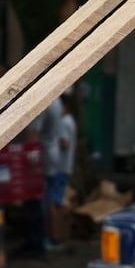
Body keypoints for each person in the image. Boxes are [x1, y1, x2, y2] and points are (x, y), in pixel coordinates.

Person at [45, 93, 77, 251]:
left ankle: (55, 238)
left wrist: (50, 143)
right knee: (59, 203)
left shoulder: (64, 122)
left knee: (53, 204)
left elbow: (64, 143)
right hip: (66, 168)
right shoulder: (70, 121)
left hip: (59, 168)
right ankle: (62, 235)